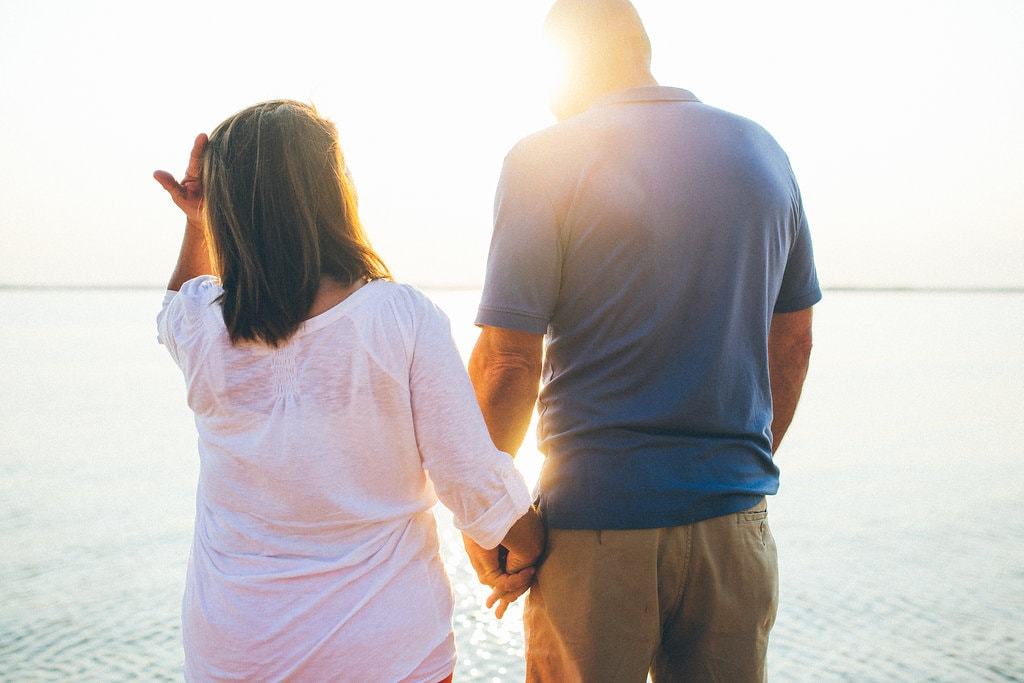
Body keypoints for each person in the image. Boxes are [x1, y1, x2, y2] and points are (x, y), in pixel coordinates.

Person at [463, 1, 820, 681]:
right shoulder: (762, 150)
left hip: (598, 526)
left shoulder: (546, 157)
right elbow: (795, 340)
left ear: (563, 64)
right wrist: (732, 464)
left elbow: (510, 361)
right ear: (641, 49)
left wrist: (489, 518)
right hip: (736, 525)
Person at [153, 100, 544, 682]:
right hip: (384, 651)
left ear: (226, 207)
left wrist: (197, 222)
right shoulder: (399, 316)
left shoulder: (202, 325)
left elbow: (175, 306)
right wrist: (531, 546)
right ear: (333, 192)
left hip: (235, 652)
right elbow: (468, 479)